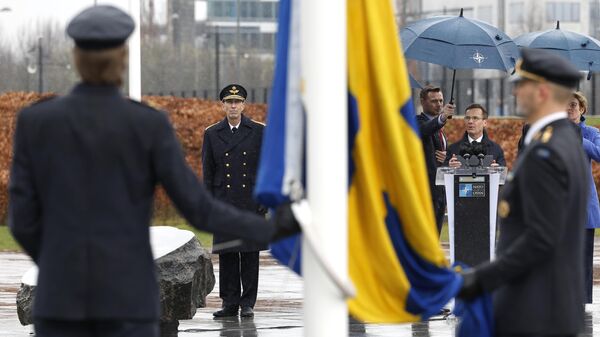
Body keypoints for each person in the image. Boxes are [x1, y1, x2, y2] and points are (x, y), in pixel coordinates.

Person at [8, 6, 298, 337]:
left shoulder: (37, 122)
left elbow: (23, 219)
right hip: (130, 298)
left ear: (75, 57)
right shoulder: (147, 124)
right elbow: (200, 209)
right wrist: (275, 228)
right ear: (123, 57)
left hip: (60, 301)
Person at [458, 48, 588, 337]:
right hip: (550, 310)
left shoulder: (546, 151)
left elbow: (541, 237)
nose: (515, 92)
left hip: (535, 313)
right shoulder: (563, 140)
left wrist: (480, 279)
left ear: (541, 92)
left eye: (521, 85)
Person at [202, 84, 267, 318]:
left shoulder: (258, 131)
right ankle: (230, 302)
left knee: (249, 255)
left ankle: (247, 302)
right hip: (224, 203)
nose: (233, 106)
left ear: (244, 105)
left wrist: (265, 198)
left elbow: (265, 168)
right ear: (222, 105)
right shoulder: (212, 134)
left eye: (237, 102)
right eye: (228, 102)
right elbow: (208, 172)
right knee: (228, 255)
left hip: (250, 202)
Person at [567, 91, 600, 304]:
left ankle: (584, 302)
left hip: (584, 204)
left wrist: (581, 140)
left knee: (584, 258)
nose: (568, 109)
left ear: (582, 109)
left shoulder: (591, 132)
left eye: (573, 105)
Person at [416, 85, 455, 234]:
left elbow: (439, 156)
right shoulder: (417, 122)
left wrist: (447, 159)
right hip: (425, 191)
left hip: (440, 191)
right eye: (434, 101)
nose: (438, 104)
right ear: (422, 102)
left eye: (441, 100)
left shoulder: (440, 130)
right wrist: (443, 117)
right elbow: (425, 130)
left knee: (435, 236)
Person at [445, 103, 506, 168]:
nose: (470, 121)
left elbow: (503, 174)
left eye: (475, 118)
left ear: (484, 122)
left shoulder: (496, 149)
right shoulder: (453, 149)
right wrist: (449, 167)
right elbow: (442, 172)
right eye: (467, 118)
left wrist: (497, 171)